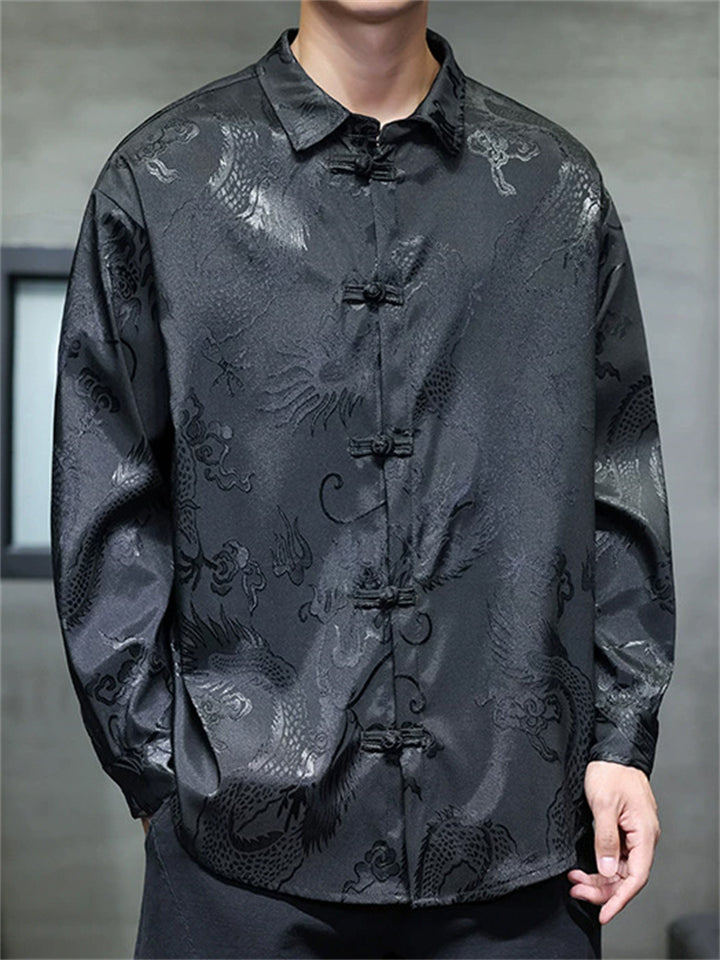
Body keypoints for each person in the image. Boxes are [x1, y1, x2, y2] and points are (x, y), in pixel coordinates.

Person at [50, 1, 677, 957]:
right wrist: (157, 773)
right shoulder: (164, 181)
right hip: (239, 863)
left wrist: (621, 743)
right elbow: (106, 495)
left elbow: (620, 479)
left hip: (520, 850)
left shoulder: (554, 189)